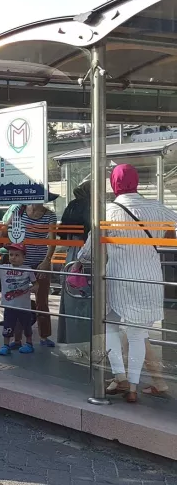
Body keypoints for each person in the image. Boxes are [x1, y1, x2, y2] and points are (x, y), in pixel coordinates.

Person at [78, 164, 177, 403]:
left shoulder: (108, 212)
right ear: (137, 183)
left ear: (113, 184)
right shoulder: (156, 207)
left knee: (110, 326)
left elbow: (87, 254)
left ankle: (119, 376)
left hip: (118, 279)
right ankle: (133, 388)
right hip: (150, 277)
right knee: (138, 334)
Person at [0, 198, 58, 347]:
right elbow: (4, 228)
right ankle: (18, 339)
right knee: (18, 301)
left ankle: (44, 336)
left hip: (40, 263)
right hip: (20, 262)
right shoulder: (19, 210)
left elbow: (52, 240)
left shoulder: (50, 215)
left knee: (42, 301)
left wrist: (47, 260)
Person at [0, 243, 39, 355]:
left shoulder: (28, 270)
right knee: (8, 325)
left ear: (24, 257)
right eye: (11, 255)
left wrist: (34, 288)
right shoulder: (4, 268)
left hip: (24, 306)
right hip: (9, 305)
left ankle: (29, 344)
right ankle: (6, 345)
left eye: (17, 255)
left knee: (26, 325)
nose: (13, 257)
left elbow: (36, 283)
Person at [57, 181, 92, 345]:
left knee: (71, 294)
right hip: (89, 253)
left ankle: (68, 337)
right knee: (89, 297)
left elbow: (62, 233)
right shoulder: (94, 206)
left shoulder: (72, 205)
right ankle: (89, 339)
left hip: (72, 252)